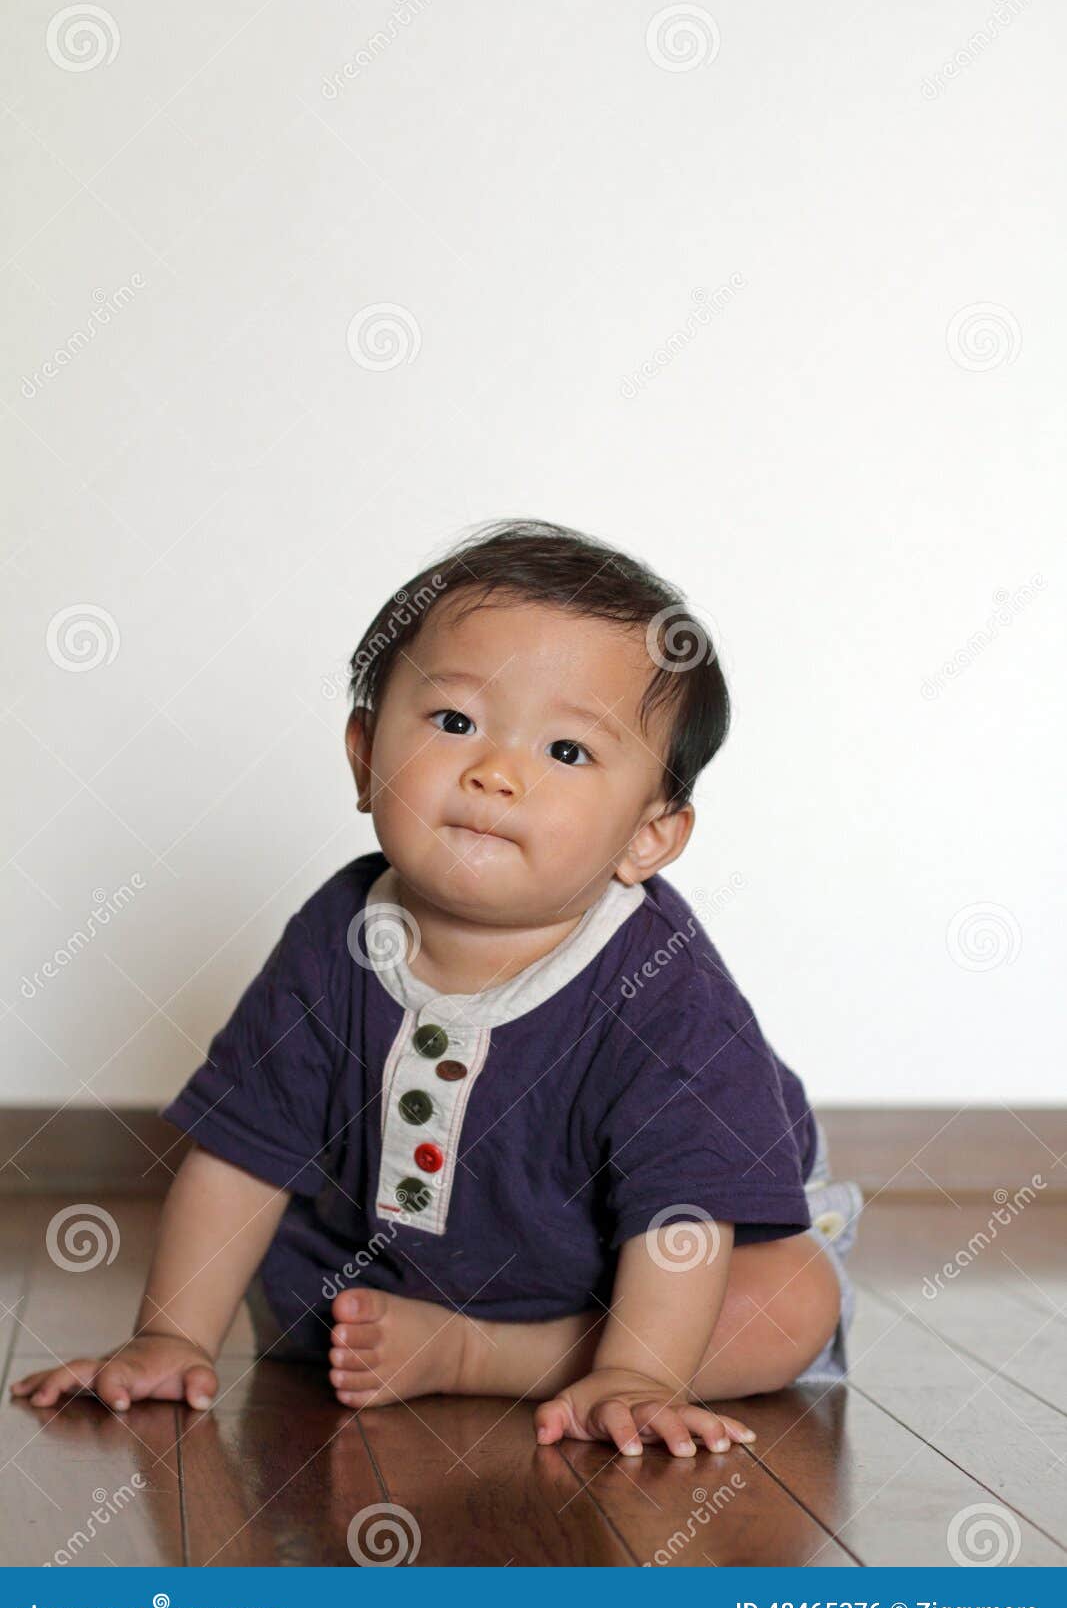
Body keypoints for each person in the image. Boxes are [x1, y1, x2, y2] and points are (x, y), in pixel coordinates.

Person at [11, 519, 862, 1458]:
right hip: (410, 1252)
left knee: (788, 1303)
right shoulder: (339, 938)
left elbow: (683, 1212)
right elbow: (246, 1149)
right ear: (365, 756)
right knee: (314, 1294)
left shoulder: (662, 986)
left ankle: (506, 1357)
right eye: (454, 722)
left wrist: (642, 1375)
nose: (495, 772)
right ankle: (439, 1335)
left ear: (646, 838)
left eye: (567, 752)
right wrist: (171, 1334)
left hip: (676, 1255)